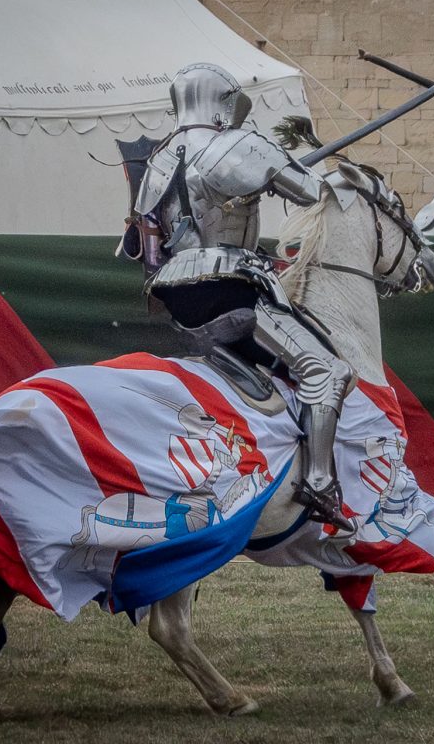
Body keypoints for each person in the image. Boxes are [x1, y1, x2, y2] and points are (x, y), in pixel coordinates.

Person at [117, 63, 355, 533]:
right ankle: (320, 482)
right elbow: (311, 193)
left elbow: (141, 247)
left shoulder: (158, 160)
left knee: (273, 371)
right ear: (224, 103)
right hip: (232, 289)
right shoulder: (240, 145)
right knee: (328, 370)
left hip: (176, 301)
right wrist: (282, 167)